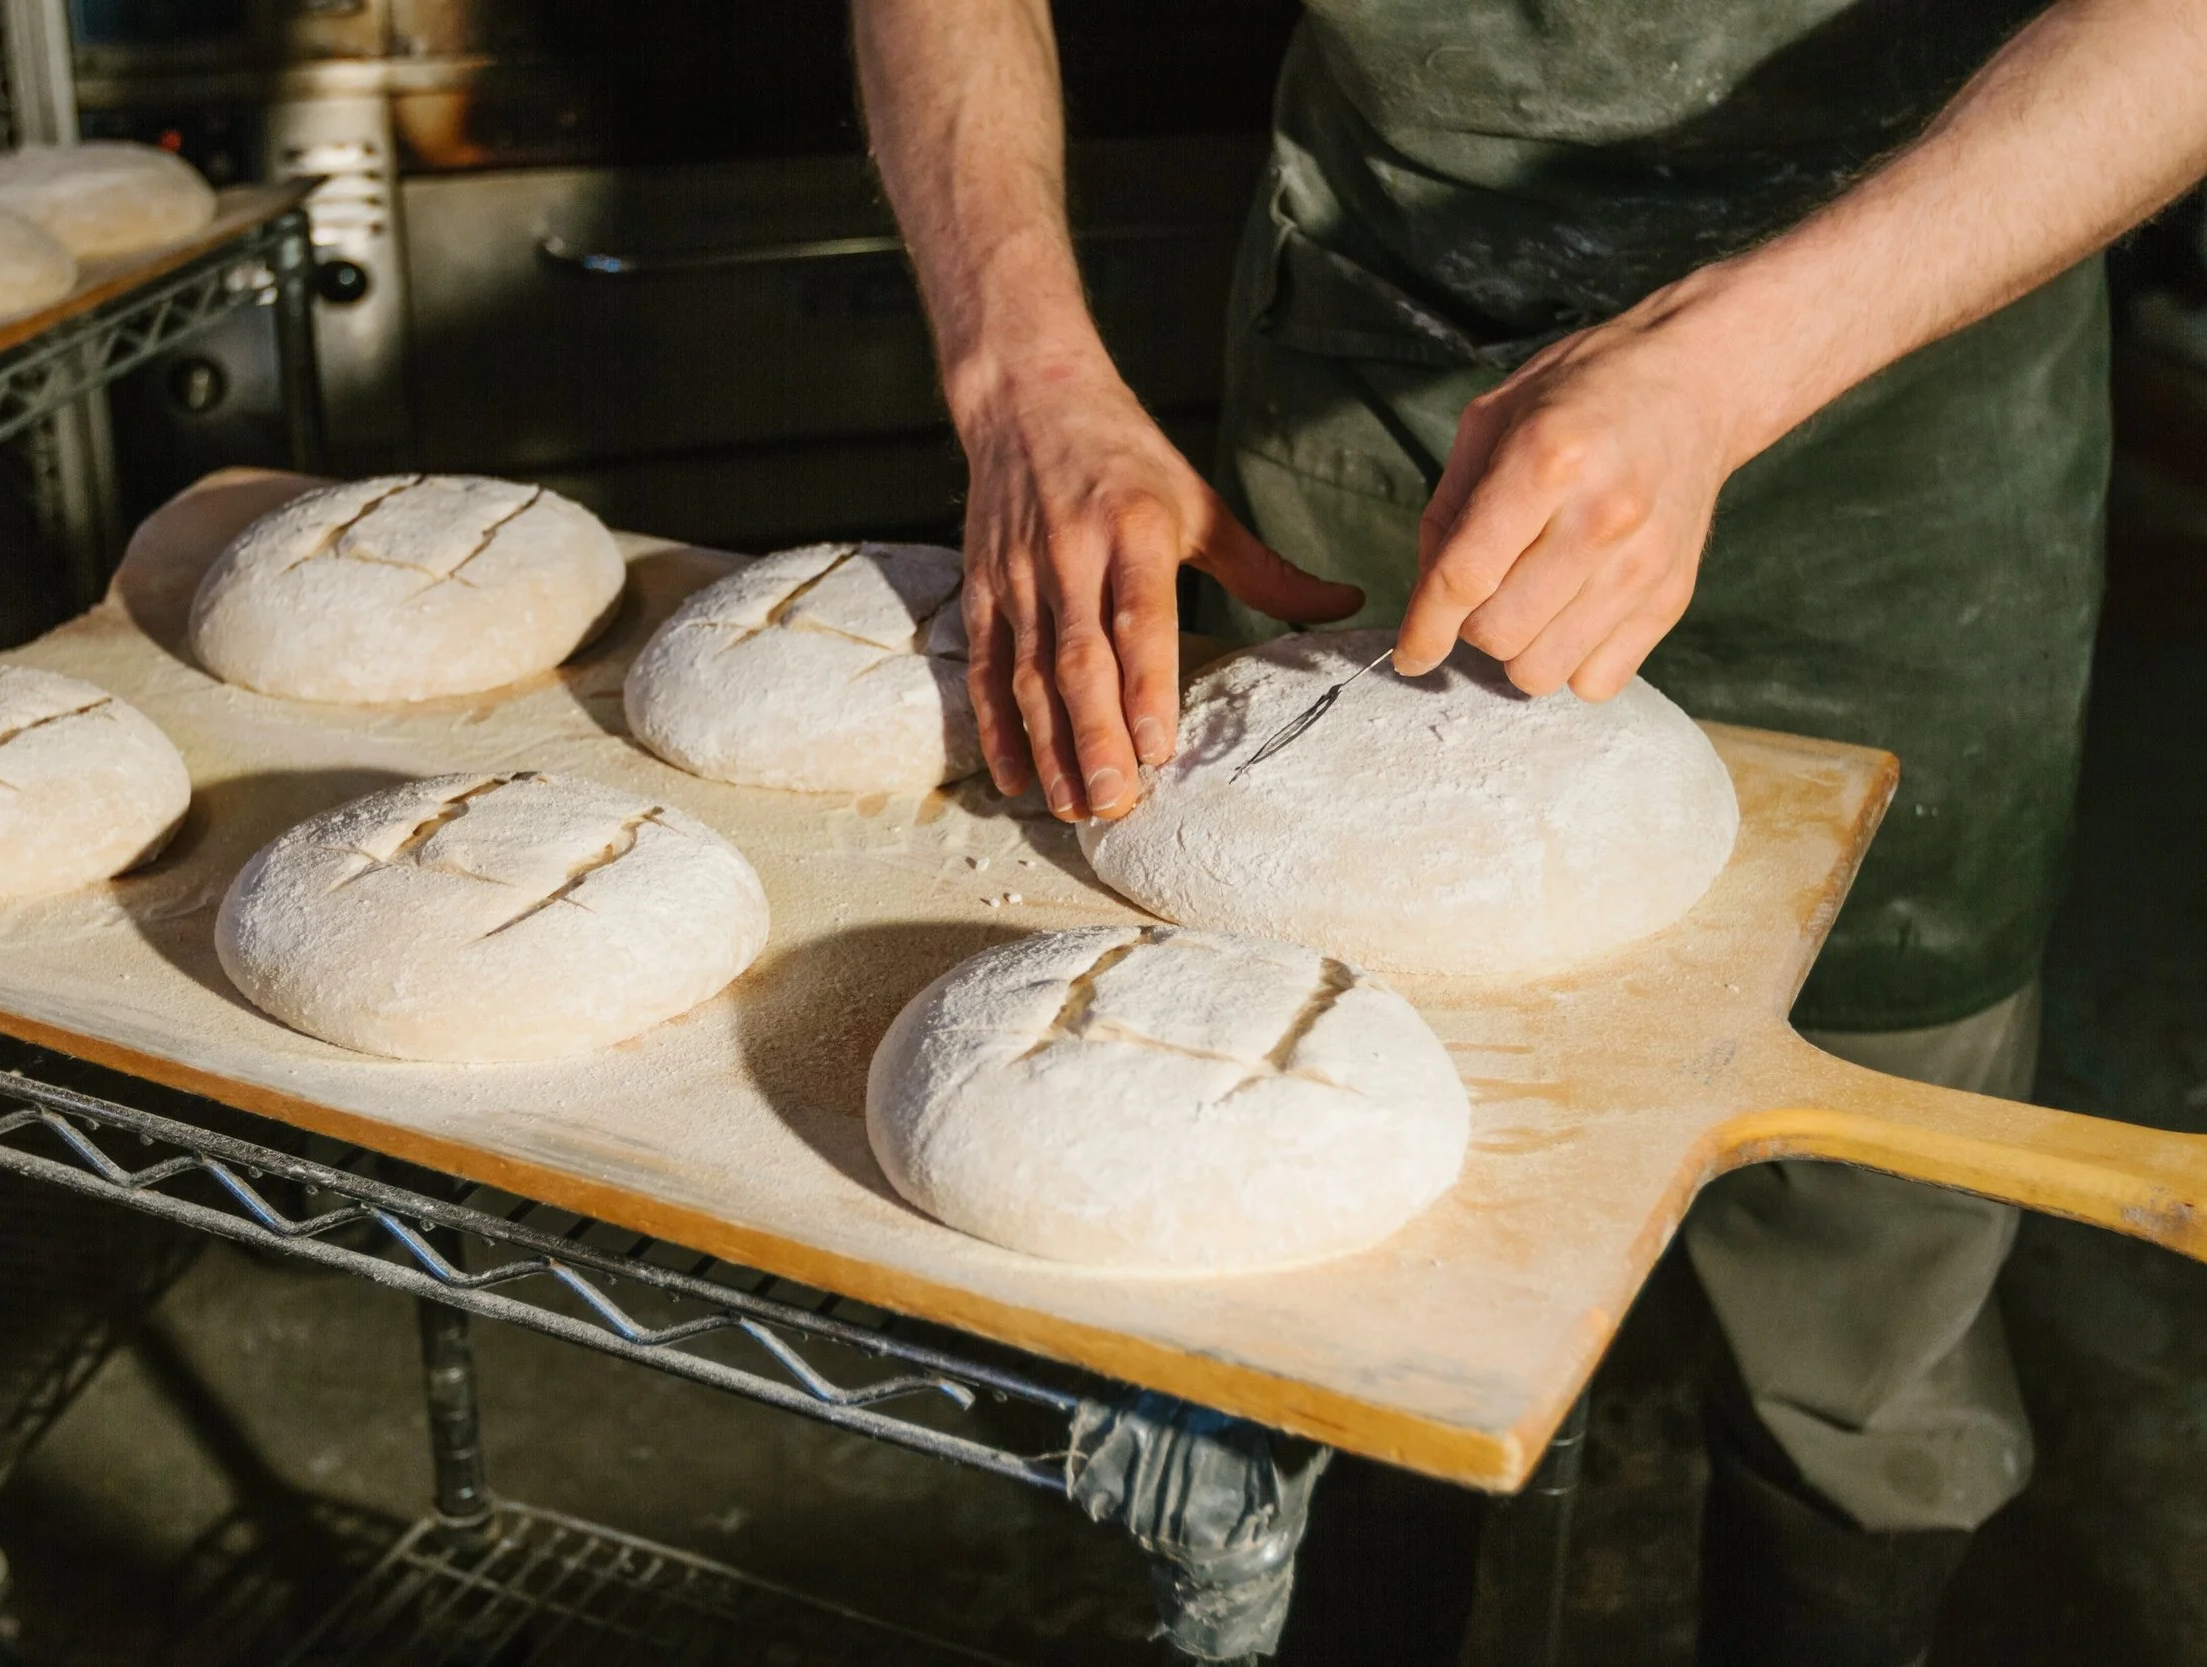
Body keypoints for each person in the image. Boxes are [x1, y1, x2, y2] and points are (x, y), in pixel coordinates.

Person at [850, 1, 2207, 1661]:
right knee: (1328, 1231)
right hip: (1394, 354)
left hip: (1913, 399)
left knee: (1867, 1269)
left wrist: (1732, 360)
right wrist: (1023, 368)